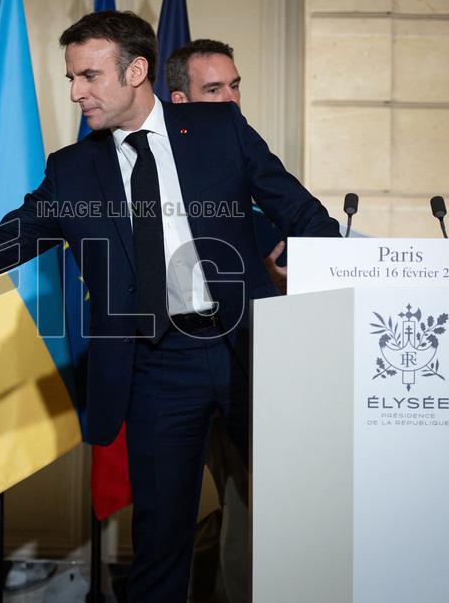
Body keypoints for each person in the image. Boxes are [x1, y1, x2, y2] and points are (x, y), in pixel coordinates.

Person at [0, 10, 339, 601]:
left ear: (136, 71)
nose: (77, 91)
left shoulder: (220, 130)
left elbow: (304, 213)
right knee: (161, 543)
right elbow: (0, 243)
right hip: (158, 366)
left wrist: (323, 265)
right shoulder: (73, 170)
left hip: (251, 349)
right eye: (71, 78)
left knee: (306, 514)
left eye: (89, 76)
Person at [164, 38, 261, 603]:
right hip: (179, 356)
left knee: (249, 504)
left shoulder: (246, 149)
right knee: (213, 505)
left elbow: (288, 219)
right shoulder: (152, 162)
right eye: (214, 89)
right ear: (179, 99)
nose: (231, 98)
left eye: (235, 85)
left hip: (256, 354)